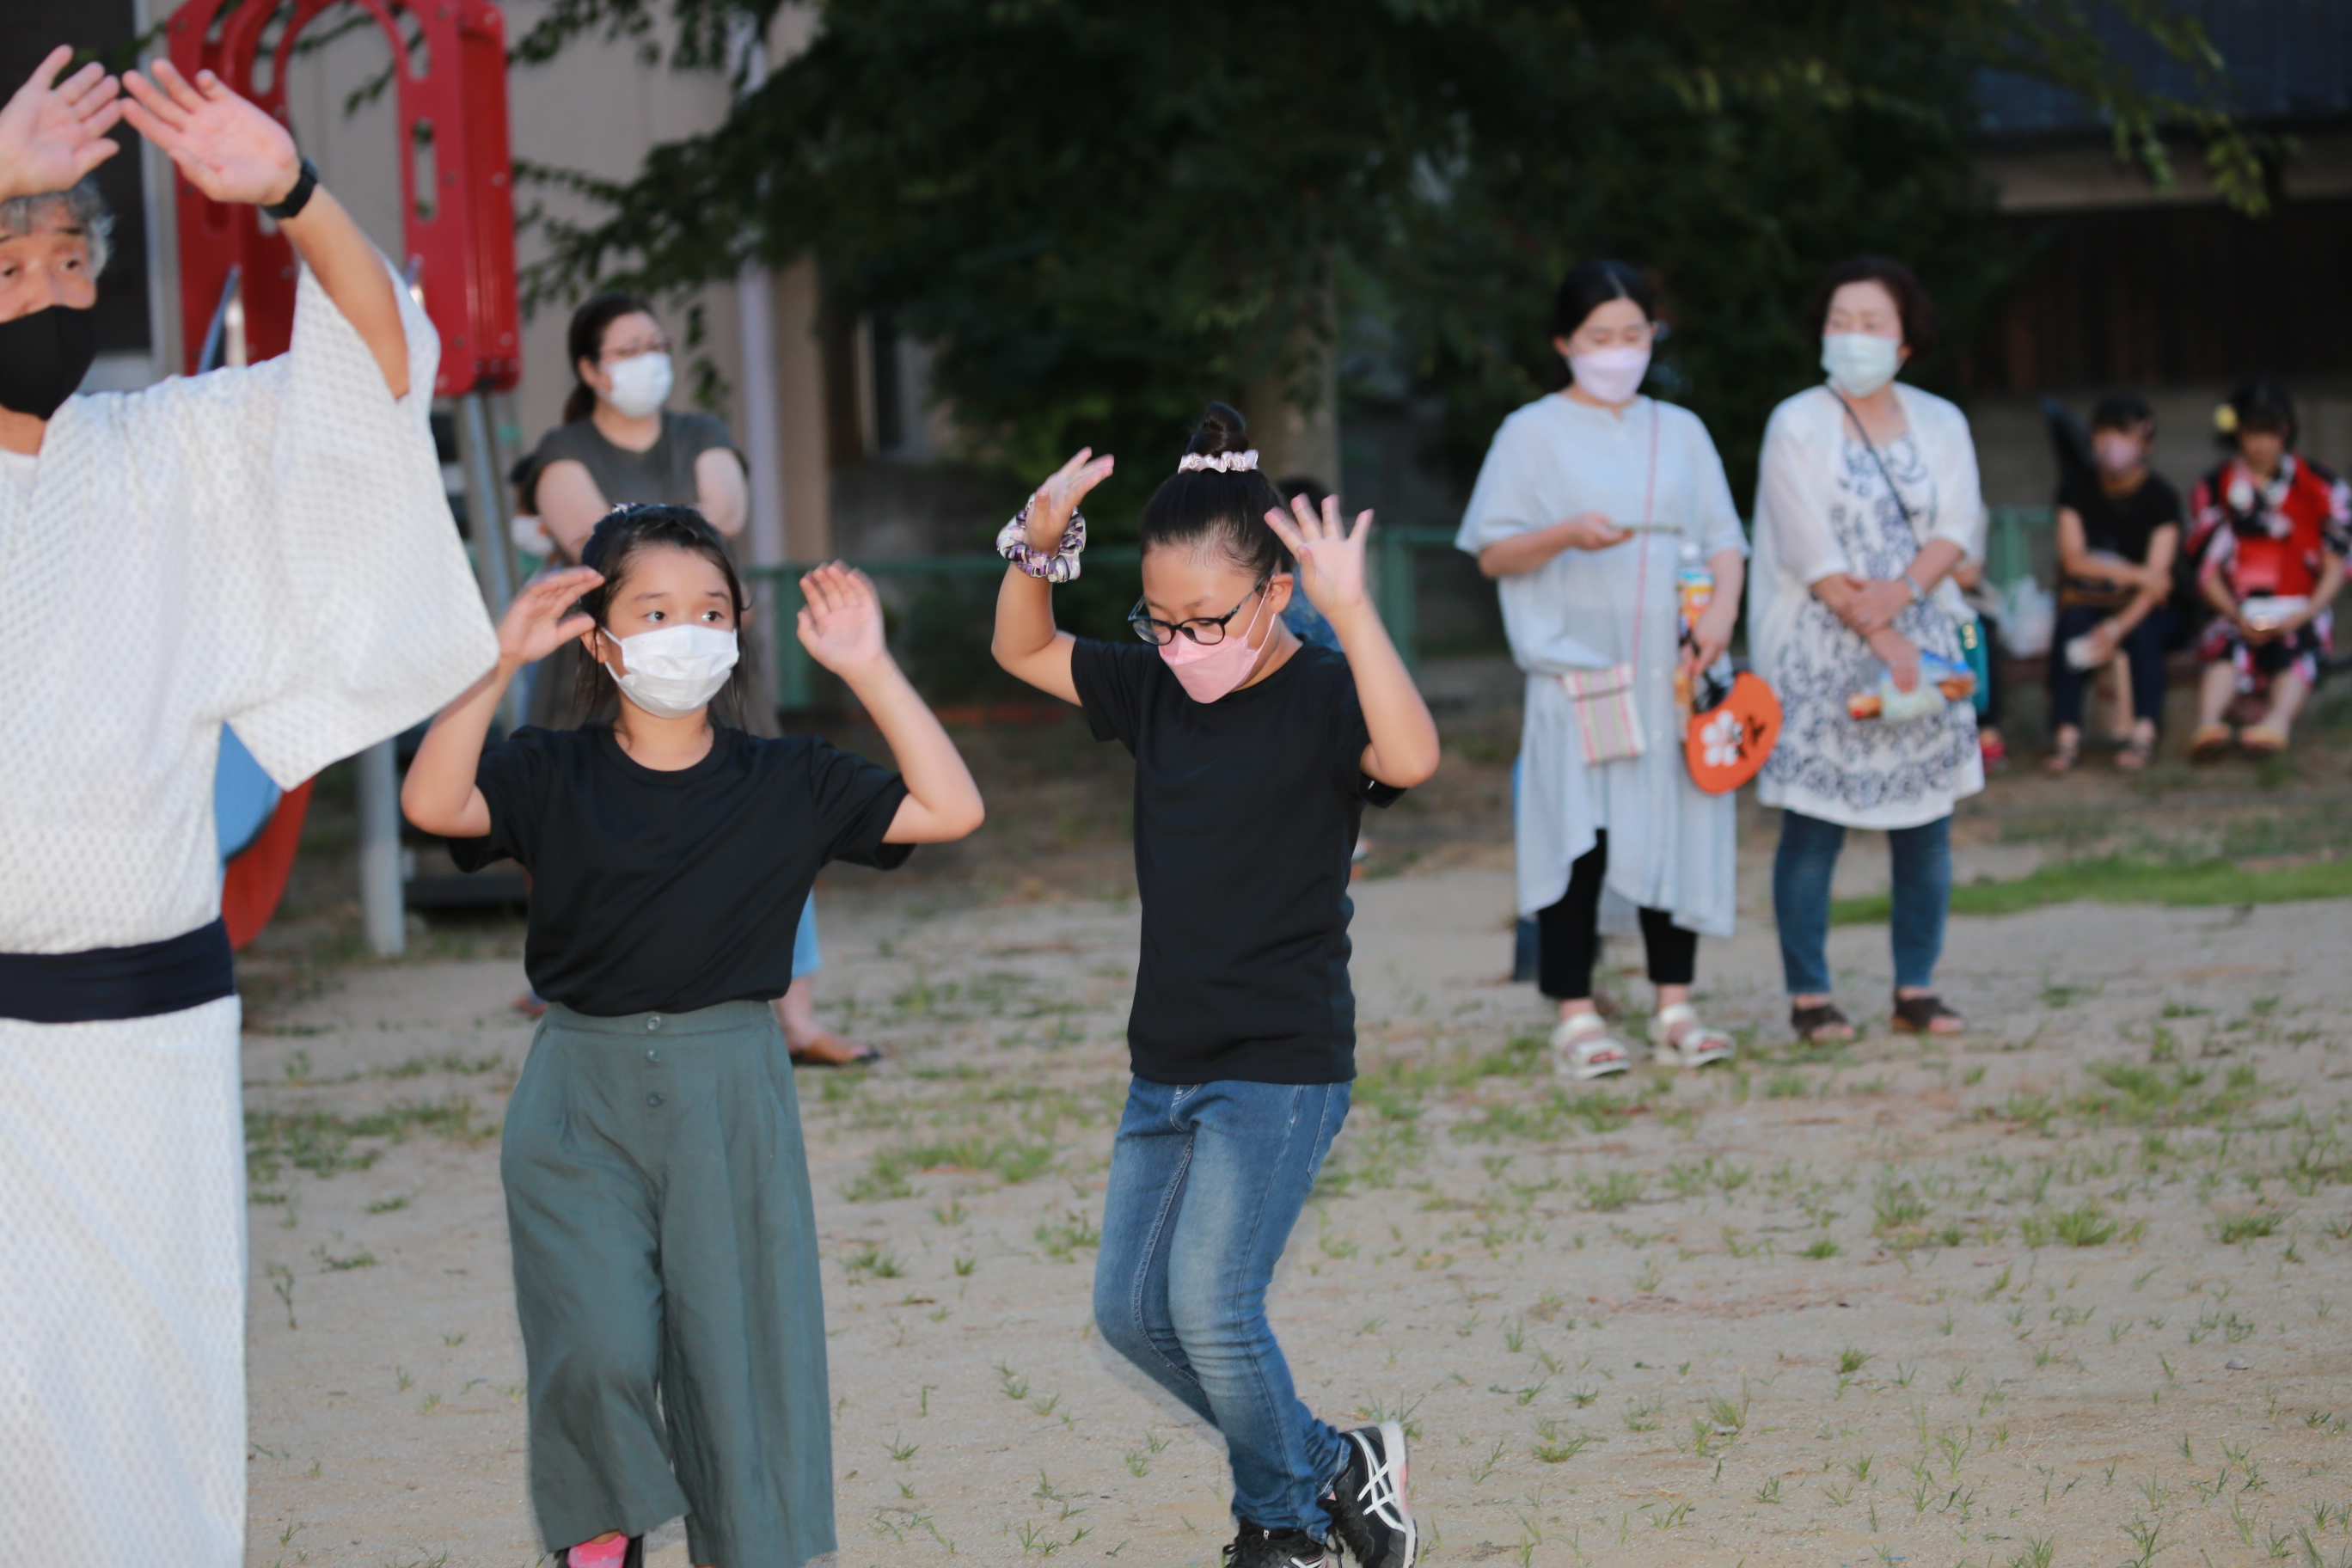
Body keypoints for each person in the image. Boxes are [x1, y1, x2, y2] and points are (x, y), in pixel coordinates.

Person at [0, 51, 498, 1565]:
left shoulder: (169, 455)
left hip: (148, 1017)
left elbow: (376, 362)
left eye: (71, 257)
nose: (45, 289)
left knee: (155, 1371)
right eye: (10, 260)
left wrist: (290, 189)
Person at [401, 505, 983, 1568]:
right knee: (596, 1342)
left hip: (732, 1092)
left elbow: (950, 809)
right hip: (579, 1095)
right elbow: (435, 802)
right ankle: (600, 1530)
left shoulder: (790, 779)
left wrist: (870, 670)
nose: (686, 631)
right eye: (655, 609)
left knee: (738, 1359)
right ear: (599, 635)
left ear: (741, 628)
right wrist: (494, 665)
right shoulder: (548, 770)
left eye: (710, 610)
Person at [991, 405, 1439, 1568]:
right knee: (1132, 1318)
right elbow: (1024, 651)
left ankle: (1284, 1528)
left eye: (1210, 621)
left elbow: (1412, 758)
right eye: (1163, 621)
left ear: (1278, 595)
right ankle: (1337, 1465)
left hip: (1280, 1065)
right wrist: (1038, 546)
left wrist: (1357, 613)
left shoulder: (1326, 692)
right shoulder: (1150, 691)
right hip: (1168, 1065)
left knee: (1212, 1307)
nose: (1182, 644)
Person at [530, 293, 873, 1063]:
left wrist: (651, 539)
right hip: (615, 661)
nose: (648, 358)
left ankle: (800, 1014)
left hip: (714, 663)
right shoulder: (563, 446)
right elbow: (587, 534)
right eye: (626, 349)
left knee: (778, 816)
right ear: (589, 369)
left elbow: (729, 506)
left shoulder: (701, 431)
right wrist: (678, 536)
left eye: (656, 343)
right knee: (587, 826)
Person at [1456, 259, 1746, 1079]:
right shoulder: (1530, 432)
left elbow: (1726, 539)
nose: (1619, 352)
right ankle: (1576, 1012)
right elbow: (1493, 550)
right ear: (1564, 343)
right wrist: (1565, 535)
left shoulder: (1680, 431)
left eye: (1633, 335)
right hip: (1578, 673)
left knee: (1673, 822)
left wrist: (1721, 614)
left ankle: (1675, 1003)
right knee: (1578, 836)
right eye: (1599, 338)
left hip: (1672, 673)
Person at [1749, 256, 1985, 1044]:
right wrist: (1877, 627)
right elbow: (1805, 542)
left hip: (1923, 646)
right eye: (1840, 322)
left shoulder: (1942, 421)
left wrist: (1903, 600)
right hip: (1823, 649)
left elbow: (1959, 524)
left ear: (1905, 339)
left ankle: (1916, 986)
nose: (1855, 337)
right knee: (1815, 827)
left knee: (1926, 825)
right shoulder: (1797, 421)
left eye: (1872, 323)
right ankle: (1810, 996)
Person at [2184, 378, 2349, 759]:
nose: (2261, 443)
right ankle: (2208, 724)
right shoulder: (2213, 487)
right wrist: (2235, 613)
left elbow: (2336, 561)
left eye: (2270, 432)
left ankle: (2275, 725)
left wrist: (2306, 612)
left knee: (2300, 644)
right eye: (2252, 433)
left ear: (2286, 432)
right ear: (2237, 433)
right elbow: (2205, 567)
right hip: (2235, 607)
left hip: (2301, 606)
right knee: (2224, 644)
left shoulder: (2320, 483)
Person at [2045, 394, 2182, 773]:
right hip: (2089, 600)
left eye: (2121, 434)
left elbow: (2159, 588)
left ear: (2146, 444)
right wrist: (2136, 574)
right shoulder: (2076, 489)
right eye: (2104, 433)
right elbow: (2074, 560)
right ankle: (2066, 735)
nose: (2111, 444)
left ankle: (2144, 733)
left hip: (2144, 610)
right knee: (2072, 626)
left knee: (2145, 635)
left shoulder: (2162, 498)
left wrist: (2116, 628)